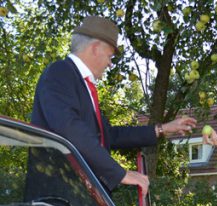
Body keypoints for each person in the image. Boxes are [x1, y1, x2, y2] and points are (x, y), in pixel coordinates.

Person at [31, 16, 196, 196]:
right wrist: (120, 173)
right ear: (95, 48)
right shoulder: (60, 72)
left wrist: (162, 129)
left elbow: (110, 135)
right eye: (110, 56)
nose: (110, 63)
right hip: (59, 202)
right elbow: (69, 128)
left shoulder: (84, 86)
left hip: (83, 200)